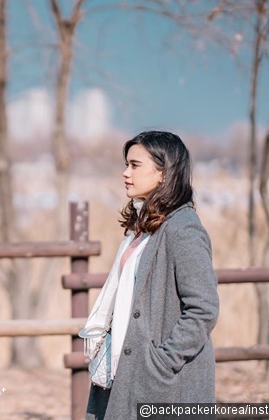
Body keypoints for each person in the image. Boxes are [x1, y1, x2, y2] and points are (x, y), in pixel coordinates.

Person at [79, 131, 220, 420]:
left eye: (134, 165)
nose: (125, 172)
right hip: (126, 373)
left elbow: (203, 310)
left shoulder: (182, 229)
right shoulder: (143, 227)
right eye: (126, 164)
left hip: (162, 385)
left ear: (164, 173)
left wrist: (159, 362)